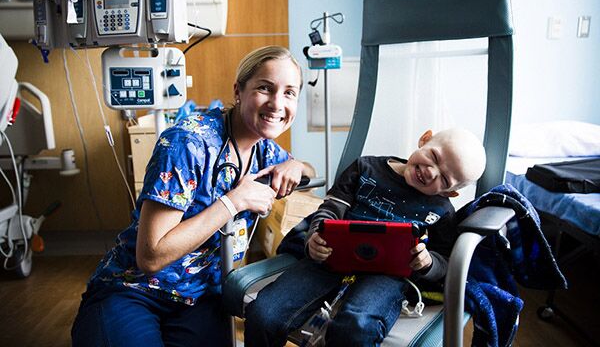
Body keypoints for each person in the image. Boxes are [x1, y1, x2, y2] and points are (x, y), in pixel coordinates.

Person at [71, 46, 310, 347]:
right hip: (135, 289)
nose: (277, 103)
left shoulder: (266, 152)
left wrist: (296, 164)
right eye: (265, 88)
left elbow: (306, 170)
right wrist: (233, 201)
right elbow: (151, 256)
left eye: (289, 93)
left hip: (198, 299)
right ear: (238, 90)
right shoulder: (188, 143)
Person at [244, 128, 487, 347]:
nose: (431, 172)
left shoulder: (442, 210)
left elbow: (445, 261)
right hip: (332, 257)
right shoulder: (365, 168)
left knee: (357, 328)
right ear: (424, 139)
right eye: (433, 157)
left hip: (387, 275)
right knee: (265, 313)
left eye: (444, 179)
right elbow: (330, 209)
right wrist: (315, 237)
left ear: (450, 191)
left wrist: (428, 262)